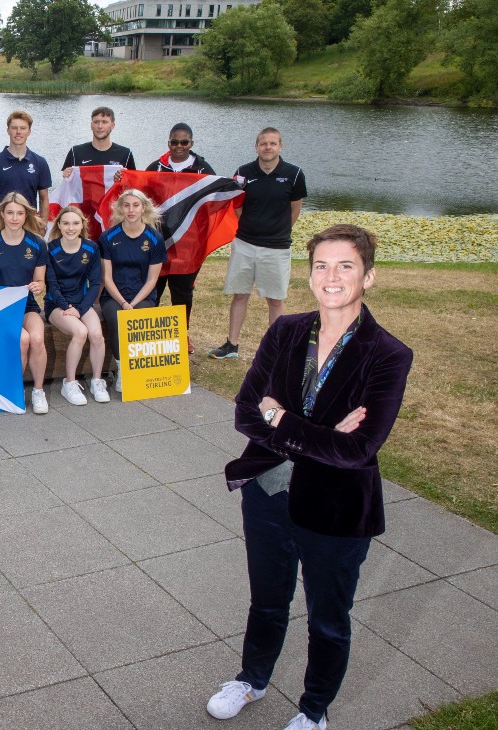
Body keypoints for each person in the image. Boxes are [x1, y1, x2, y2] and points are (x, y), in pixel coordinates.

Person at [205, 224, 412, 730]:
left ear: (368, 276)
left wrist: (280, 417)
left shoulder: (388, 354)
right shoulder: (286, 331)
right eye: (321, 265)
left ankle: (314, 711)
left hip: (337, 509)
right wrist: (317, 435)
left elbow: (358, 449)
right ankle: (252, 680)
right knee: (266, 602)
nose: (331, 276)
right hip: (268, 492)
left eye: (345, 266)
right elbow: (246, 411)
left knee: (328, 619)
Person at [209, 127, 307, 360]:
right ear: (256, 147)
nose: (267, 147)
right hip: (245, 243)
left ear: (280, 146)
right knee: (240, 295)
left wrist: (277, 230)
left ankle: (276, 349)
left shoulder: (294, 174)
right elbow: (237, 205)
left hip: (277, 247)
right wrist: (252, 226)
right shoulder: (243, 173)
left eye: (272, 143)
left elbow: (295, 208)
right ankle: (232, 345)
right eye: (263, 143)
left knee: (275, 300)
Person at [0, 192, 50, 414]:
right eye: (10, 213)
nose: (14, 218)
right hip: (0, 309)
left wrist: (38, 286)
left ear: (26, 215)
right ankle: (14, 389)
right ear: (2, 215)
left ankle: (38, 391)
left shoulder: (37, 244)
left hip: (27, 306)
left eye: (19, 213)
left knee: (37, 338)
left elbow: (40, 281)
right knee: (22, 339)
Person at [146, 122, 216, 354]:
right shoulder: (156, 167)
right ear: (168, 143)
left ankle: (181, 334)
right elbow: (140, 193)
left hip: (188, 242)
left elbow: (214, 199)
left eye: (184, 142)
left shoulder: (203, 169)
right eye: (174, 142)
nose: (179, 146)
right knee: (153, 288)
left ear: (191, 143)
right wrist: (122, 177)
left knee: (182, 292)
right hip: (159, 240)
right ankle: (149, 333)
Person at [98, 190, 167, 394]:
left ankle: (140, 370)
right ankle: (123, 371)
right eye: (126, 205)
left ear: (143, 208)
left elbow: (152, 279)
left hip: (142, 295)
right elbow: (106, 278)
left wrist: (133, 303)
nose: (131, 210)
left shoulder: (155, 238)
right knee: (118, 320)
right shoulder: (108, 237)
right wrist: (123, 302)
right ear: (120, 208)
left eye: (135, 205)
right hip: (114, 295)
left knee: (139, 320)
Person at [44, 205, 109, 406]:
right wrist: (66, 307)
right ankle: (69, 383)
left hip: (81, 303)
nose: (70, 228)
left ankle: (97, 381)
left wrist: (79, 309)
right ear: (59, 225)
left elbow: (95, 284)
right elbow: (52, 285)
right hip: (56, 304)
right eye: (66, 223)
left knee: (96, 335)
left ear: (82, 225)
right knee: (80, 332)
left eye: (75, 223)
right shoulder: (51, 249)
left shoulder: (91, 248)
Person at [0, 111, 52, 227]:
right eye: (14, 128)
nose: (18, 132)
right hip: (2, 225)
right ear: (8, 130)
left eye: (23, 128)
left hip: (30, 225)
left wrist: (43, 226)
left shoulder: (40, 162)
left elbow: (44, 198)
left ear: (29, 132)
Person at [60, 106, 138, 175]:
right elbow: (67, 183)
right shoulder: (75, 152)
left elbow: (132, 183)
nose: (100, 126)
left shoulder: (125, 154)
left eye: (104, 122)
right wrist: (67, 176)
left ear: (112, 126)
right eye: (96, 122)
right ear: (91, 125)